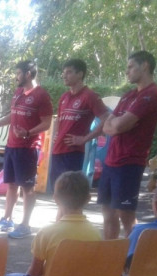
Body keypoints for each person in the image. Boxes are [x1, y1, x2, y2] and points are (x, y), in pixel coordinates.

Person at [98, 51, 157, 240]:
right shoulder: (128, 96)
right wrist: (116, 126)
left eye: (130, 67)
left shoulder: (152, 94)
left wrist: (116, 125)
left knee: (125, 215)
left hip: (129, 162)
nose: (127, 72)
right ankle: (110, 259)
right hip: (111, 161)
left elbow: (117, 124)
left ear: (145, 66)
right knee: (107, 213)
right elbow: (109, 125)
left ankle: (132, 262)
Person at [0, 60, 53, 239]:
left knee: (27, 187)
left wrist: (28, 133)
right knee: (11, 185)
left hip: (28, 148)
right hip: (12, 146)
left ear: (28, 75)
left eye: (18, 73)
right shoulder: (18, 93)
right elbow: (13, 114)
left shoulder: (41, 95)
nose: (16, 77)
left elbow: (47, 123)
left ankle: (25, 225)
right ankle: (7, 219)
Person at [51, 59, 110, 191]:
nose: (64, 76)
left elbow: (106, 117)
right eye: (63, 72)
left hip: (73, 153)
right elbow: (58, 120)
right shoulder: (64, 97)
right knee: (57, 192)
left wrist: (85, 139)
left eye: (69, 72)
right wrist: (56, 134)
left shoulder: (90, 96)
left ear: (80, 74)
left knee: (69, 194)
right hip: (57, 151)